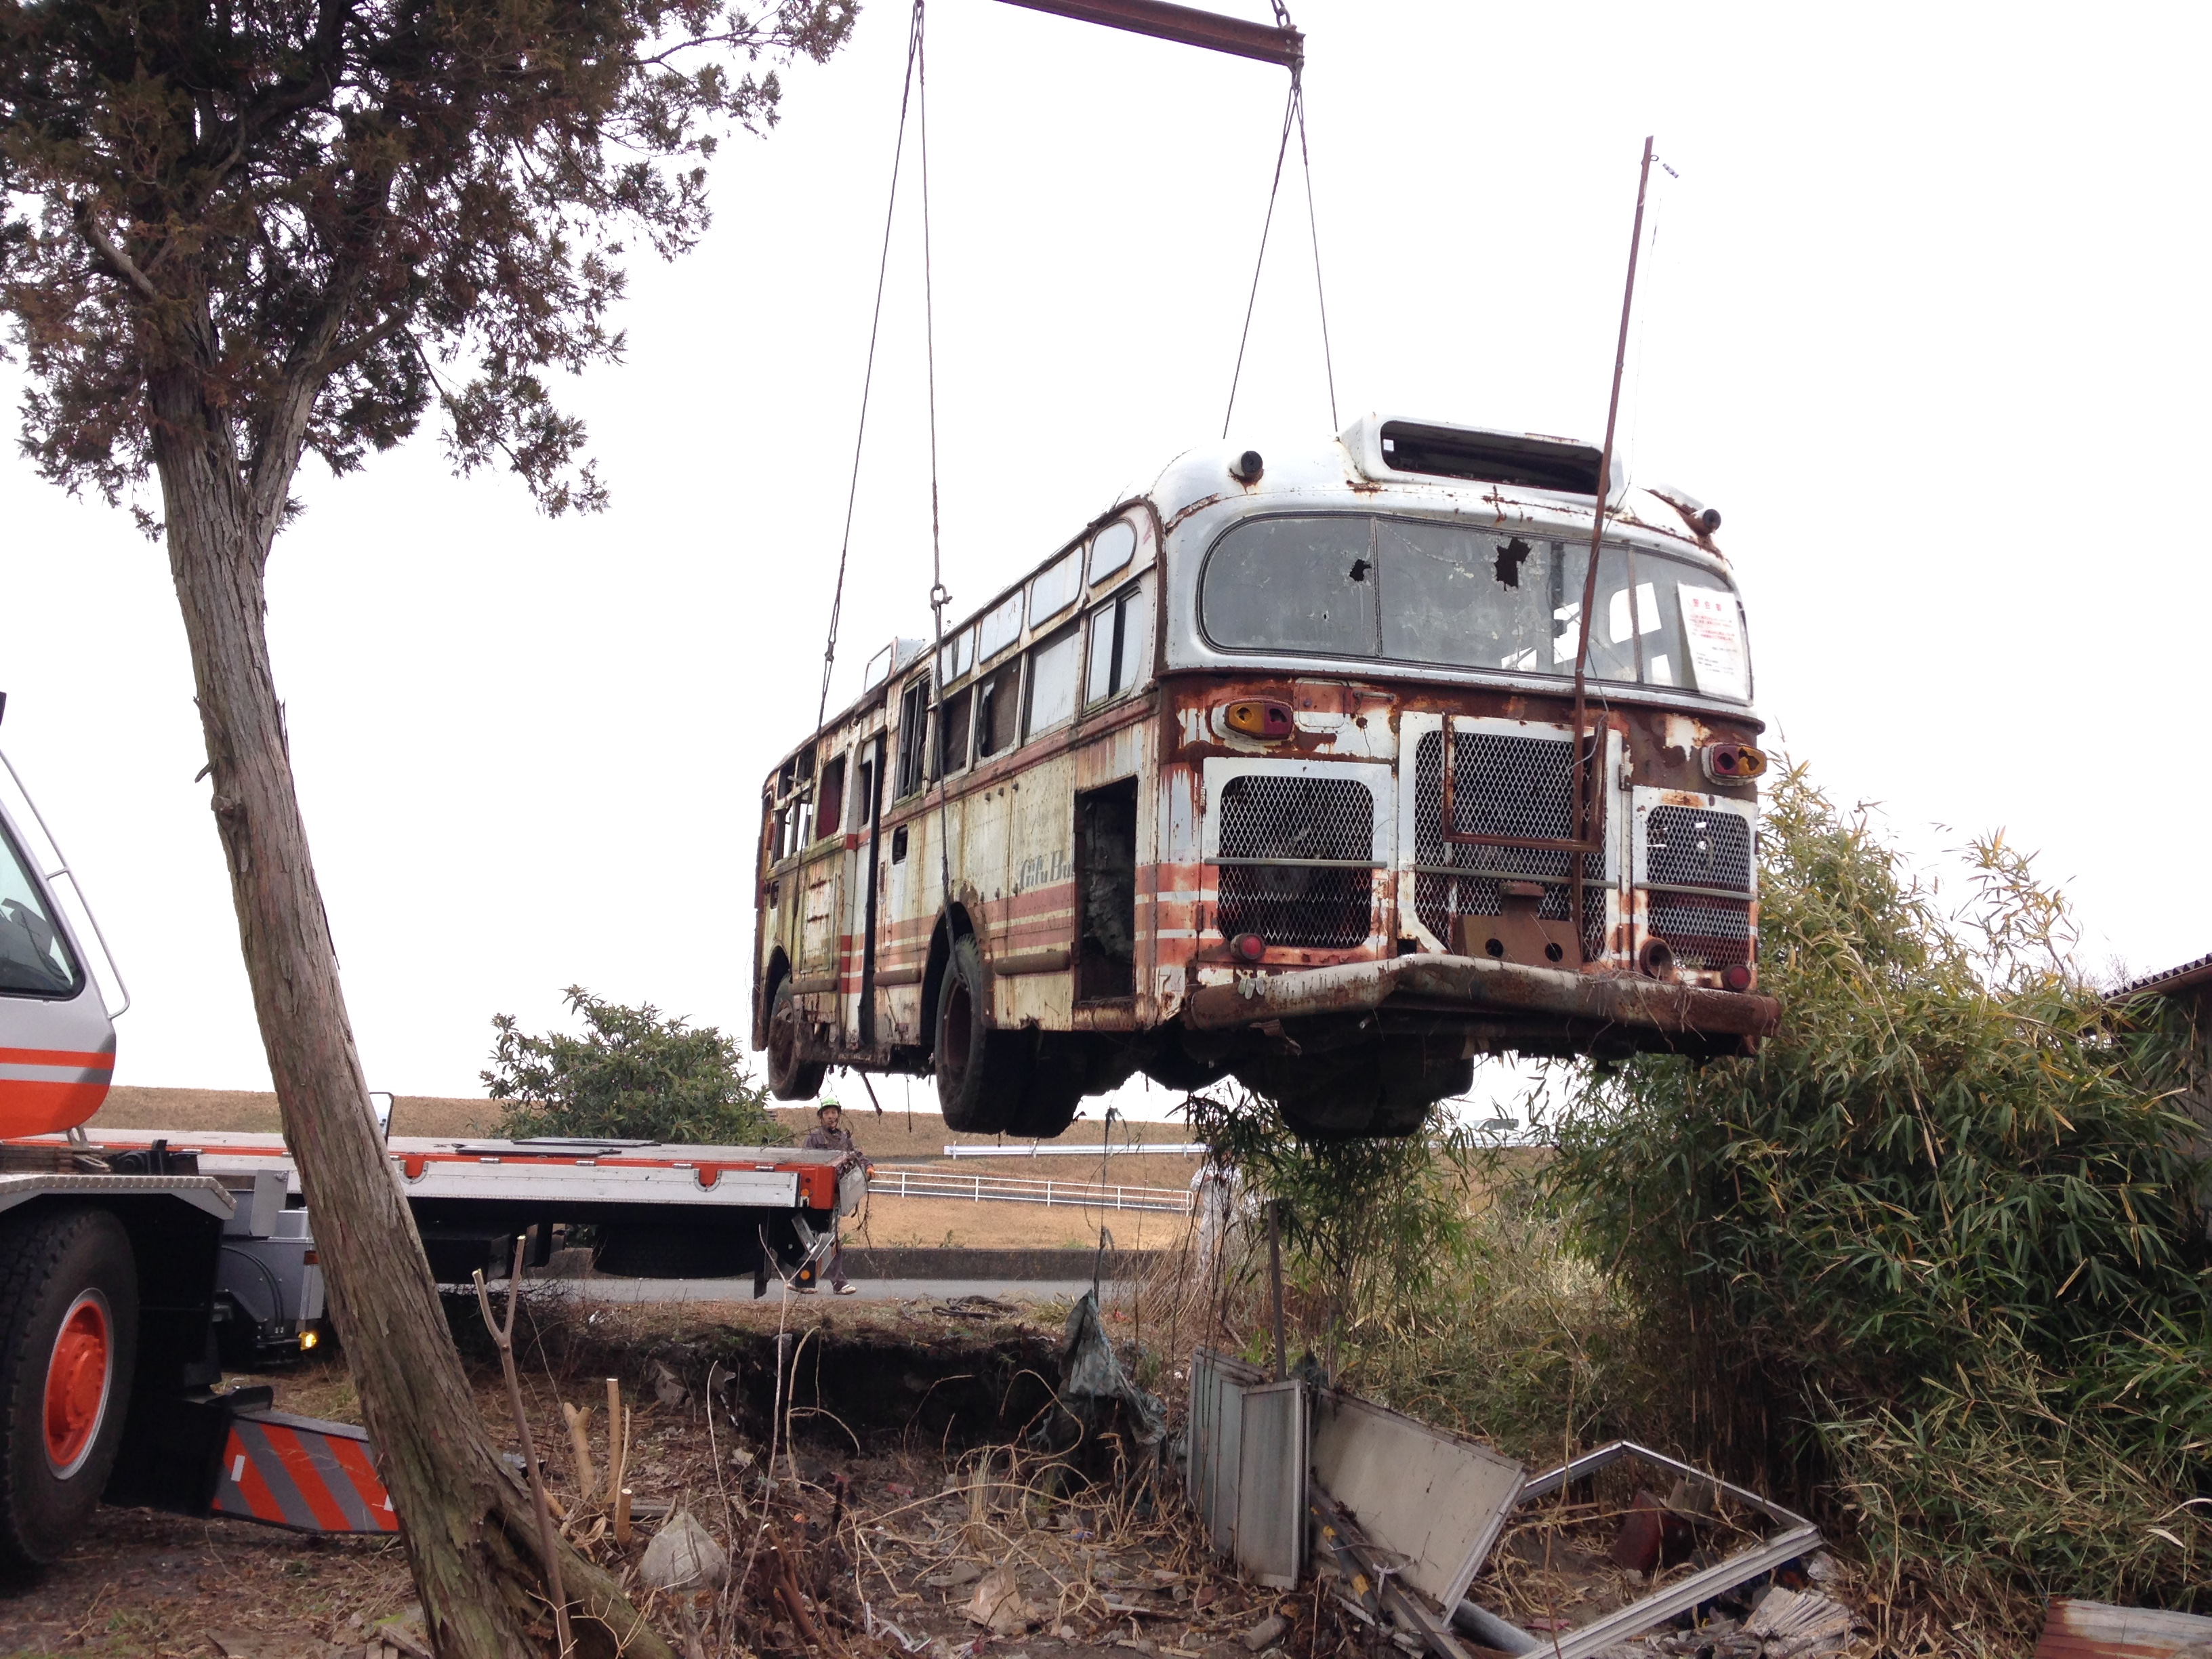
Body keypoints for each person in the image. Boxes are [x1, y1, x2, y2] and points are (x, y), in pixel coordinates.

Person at [799, 1098, 872, 1295]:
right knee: (817, 1238)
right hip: (815, 1197)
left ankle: (815, 1281)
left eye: (834, 1112)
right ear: (820, 1117)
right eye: (827, 1113)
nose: (831, 1116)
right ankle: (826, 1282)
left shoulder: (844, 1138)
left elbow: (855, 1155)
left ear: (839, 1115)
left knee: (828, 1238)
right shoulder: (813, 1139)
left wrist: (868, 1166)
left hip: (835, 1196)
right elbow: (804, 1164)